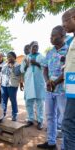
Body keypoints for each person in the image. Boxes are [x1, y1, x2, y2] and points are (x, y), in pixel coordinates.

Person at [37, 25, 68, 149]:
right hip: (50, 90)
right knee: (50, 117)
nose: (51, 38)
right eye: (50, 35)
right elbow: (45, 69)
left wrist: (55, 83)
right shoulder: (50, 52)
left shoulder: (68, 50)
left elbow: (68, 71)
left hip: (63, 91)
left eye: (53, 35)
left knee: (66, 119)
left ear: (62, 36)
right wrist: (47, 82)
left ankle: (67, 145)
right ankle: (51, 142)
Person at [20, 41, 45, 130]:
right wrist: (27, 65)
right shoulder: (25, 58)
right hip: (29, 83)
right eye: (33, 47)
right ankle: (30, 119)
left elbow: (45, 67)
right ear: (30, 48)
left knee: (39, 103)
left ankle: (40, 121)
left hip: (39, 83)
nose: (35, 48)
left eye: (36, 46)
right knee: (28, 102)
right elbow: (22, 70)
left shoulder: (42, 57)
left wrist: (36, 63)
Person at [61, 8, 75, 150]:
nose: (64, 24)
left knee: (68, 123)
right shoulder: (72, 40)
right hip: (71, 87)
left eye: (65, 20)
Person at [0, 51, 23, 121]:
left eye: (10, 56)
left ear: (14, 57)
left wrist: (12, 67)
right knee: (3, 100)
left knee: (13, 100)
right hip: (4, 85)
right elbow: (2, 73)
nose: (9, 58)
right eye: (8, 57)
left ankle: (14, 115)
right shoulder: (4, 64)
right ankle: (2, 114)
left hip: (12, 86)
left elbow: (17, 73)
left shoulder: (18, 65)